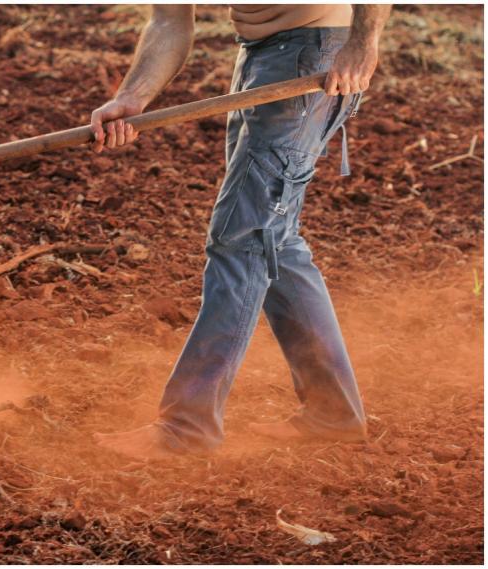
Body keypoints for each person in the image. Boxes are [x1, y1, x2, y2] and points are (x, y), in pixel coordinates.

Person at [91, 5, 392, 460]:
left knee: (243, 238)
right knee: (274, 239)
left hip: (315, 55)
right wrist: (132, 96)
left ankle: (185, 428)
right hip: (262, 56)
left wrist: (363, 43)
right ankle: (334, 413)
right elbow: (170, 21)